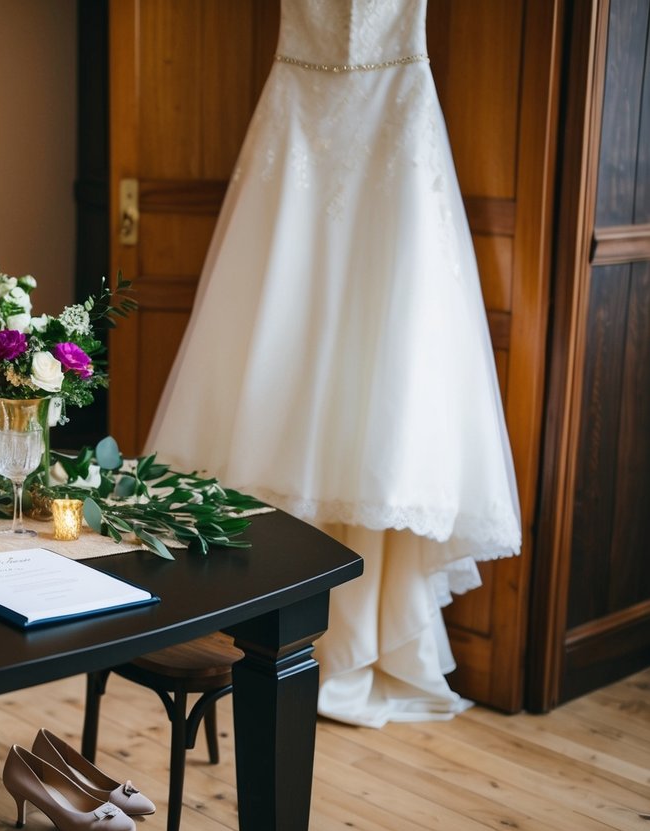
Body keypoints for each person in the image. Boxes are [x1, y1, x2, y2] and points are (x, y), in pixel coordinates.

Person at [146, 0, 521, 727]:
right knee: (286, 365)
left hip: (391, 147)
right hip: (299, 146)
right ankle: (280, 632)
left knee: (381, 380)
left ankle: (348, 641)